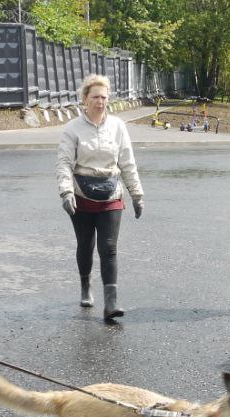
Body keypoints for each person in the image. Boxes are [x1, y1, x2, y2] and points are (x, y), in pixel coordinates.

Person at [56, 73, 144, 322]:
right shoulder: (72, 128)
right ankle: (86, 285)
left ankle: (111, 302)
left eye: (104, 97)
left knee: (109, 248)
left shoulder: (117, 127)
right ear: (85, 99)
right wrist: (66, 191)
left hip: (111, 194)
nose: (100, 101)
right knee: (86, 244)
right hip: (81, 195)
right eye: (95, 97)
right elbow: (63, 163)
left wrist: (137, 194)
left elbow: (127, 161)